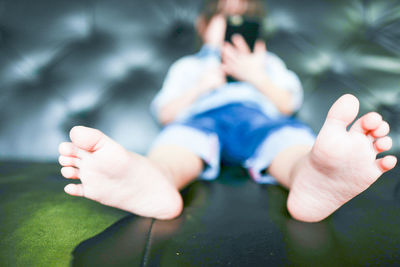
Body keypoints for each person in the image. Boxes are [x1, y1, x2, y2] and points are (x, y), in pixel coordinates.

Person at [58, 0, 397, 223]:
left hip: (260, 119)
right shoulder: (189, 66)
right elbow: (166, 114)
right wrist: (201, 86)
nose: (236, 23)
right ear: (205, 27)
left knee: (287, 138)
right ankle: (155, 179)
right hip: (199, 120)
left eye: (245, 19)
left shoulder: (267, 63)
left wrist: (256, 76)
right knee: (177, 142)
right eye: (226, 16)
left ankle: (309, 177)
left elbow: (287, 105)